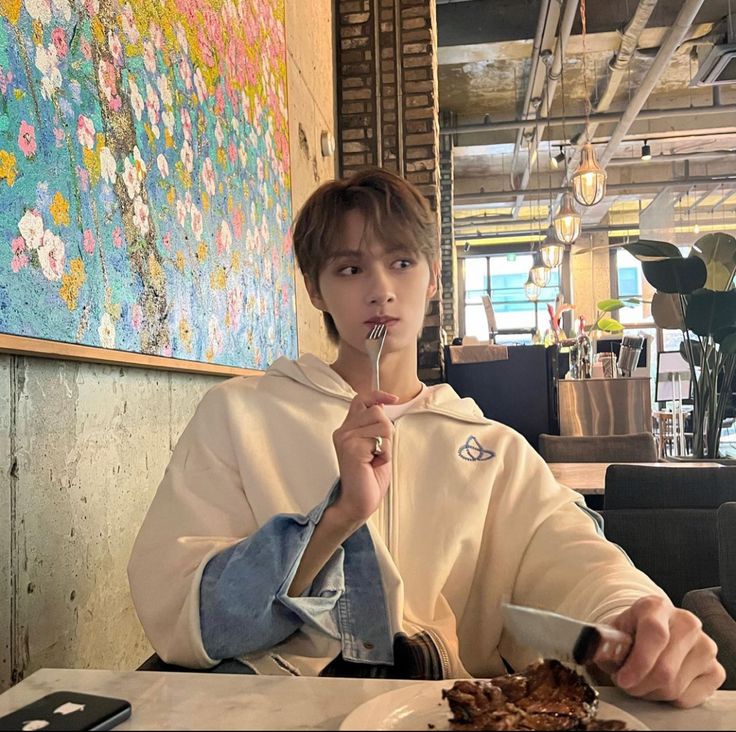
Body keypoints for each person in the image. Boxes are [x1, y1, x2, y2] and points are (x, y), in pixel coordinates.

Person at [128, 168, 724, 706]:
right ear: (316, 290)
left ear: (434, 278)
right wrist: (334, 520)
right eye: (350, 268)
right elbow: (184, 612)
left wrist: (632, 616)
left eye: (402, 262)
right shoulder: (239, 414)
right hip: (277, 710)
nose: (380, 289)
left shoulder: (492, 447)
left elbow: (569, 555)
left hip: (449, 711)